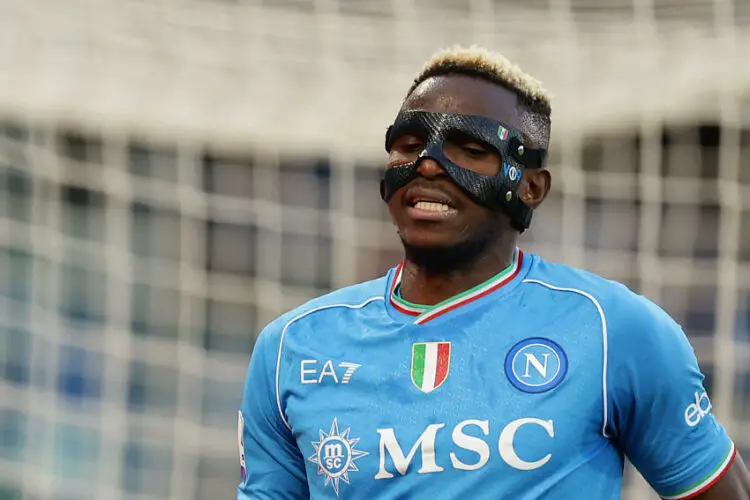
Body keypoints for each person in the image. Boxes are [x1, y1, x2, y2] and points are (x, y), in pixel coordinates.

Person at [237, 46, 750, 499]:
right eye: (410, 145)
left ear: (532, 188)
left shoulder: (614, 330)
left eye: (472, 149)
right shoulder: (292, 347)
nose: (429, 165)